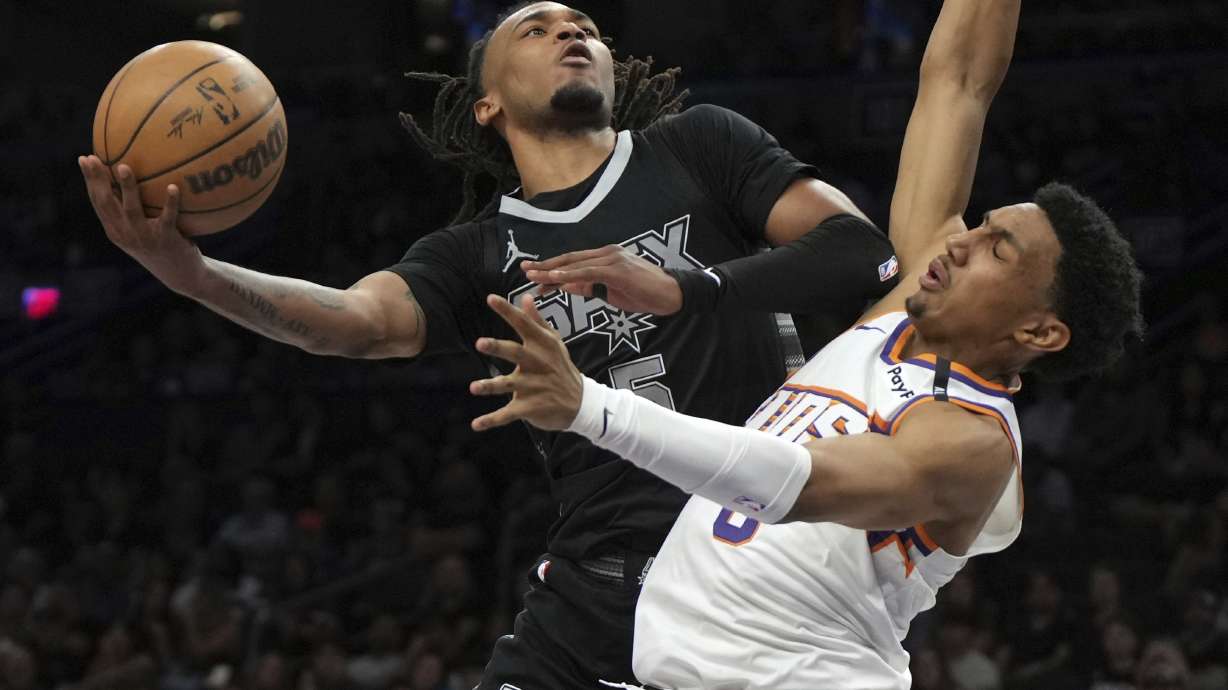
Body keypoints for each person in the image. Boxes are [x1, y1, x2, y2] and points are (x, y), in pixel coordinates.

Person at [77, 2, 899, 687]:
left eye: (583, 25)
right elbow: (357, 324)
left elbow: (861, 250)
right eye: (535, 30)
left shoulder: (699, 147)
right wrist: (189, 273)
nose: (571, 31)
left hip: (755, 558)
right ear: (487, 104)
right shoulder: (476, 253)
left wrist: (689, 286)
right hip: (602, 583)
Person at [466, 0, 1144, 686]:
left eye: (996, 249)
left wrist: (589, 407)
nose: (961, 240)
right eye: (981, 224)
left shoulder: (970, 442)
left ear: (1039, 331)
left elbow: (793, 484)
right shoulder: (902, 309)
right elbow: (959, 80)